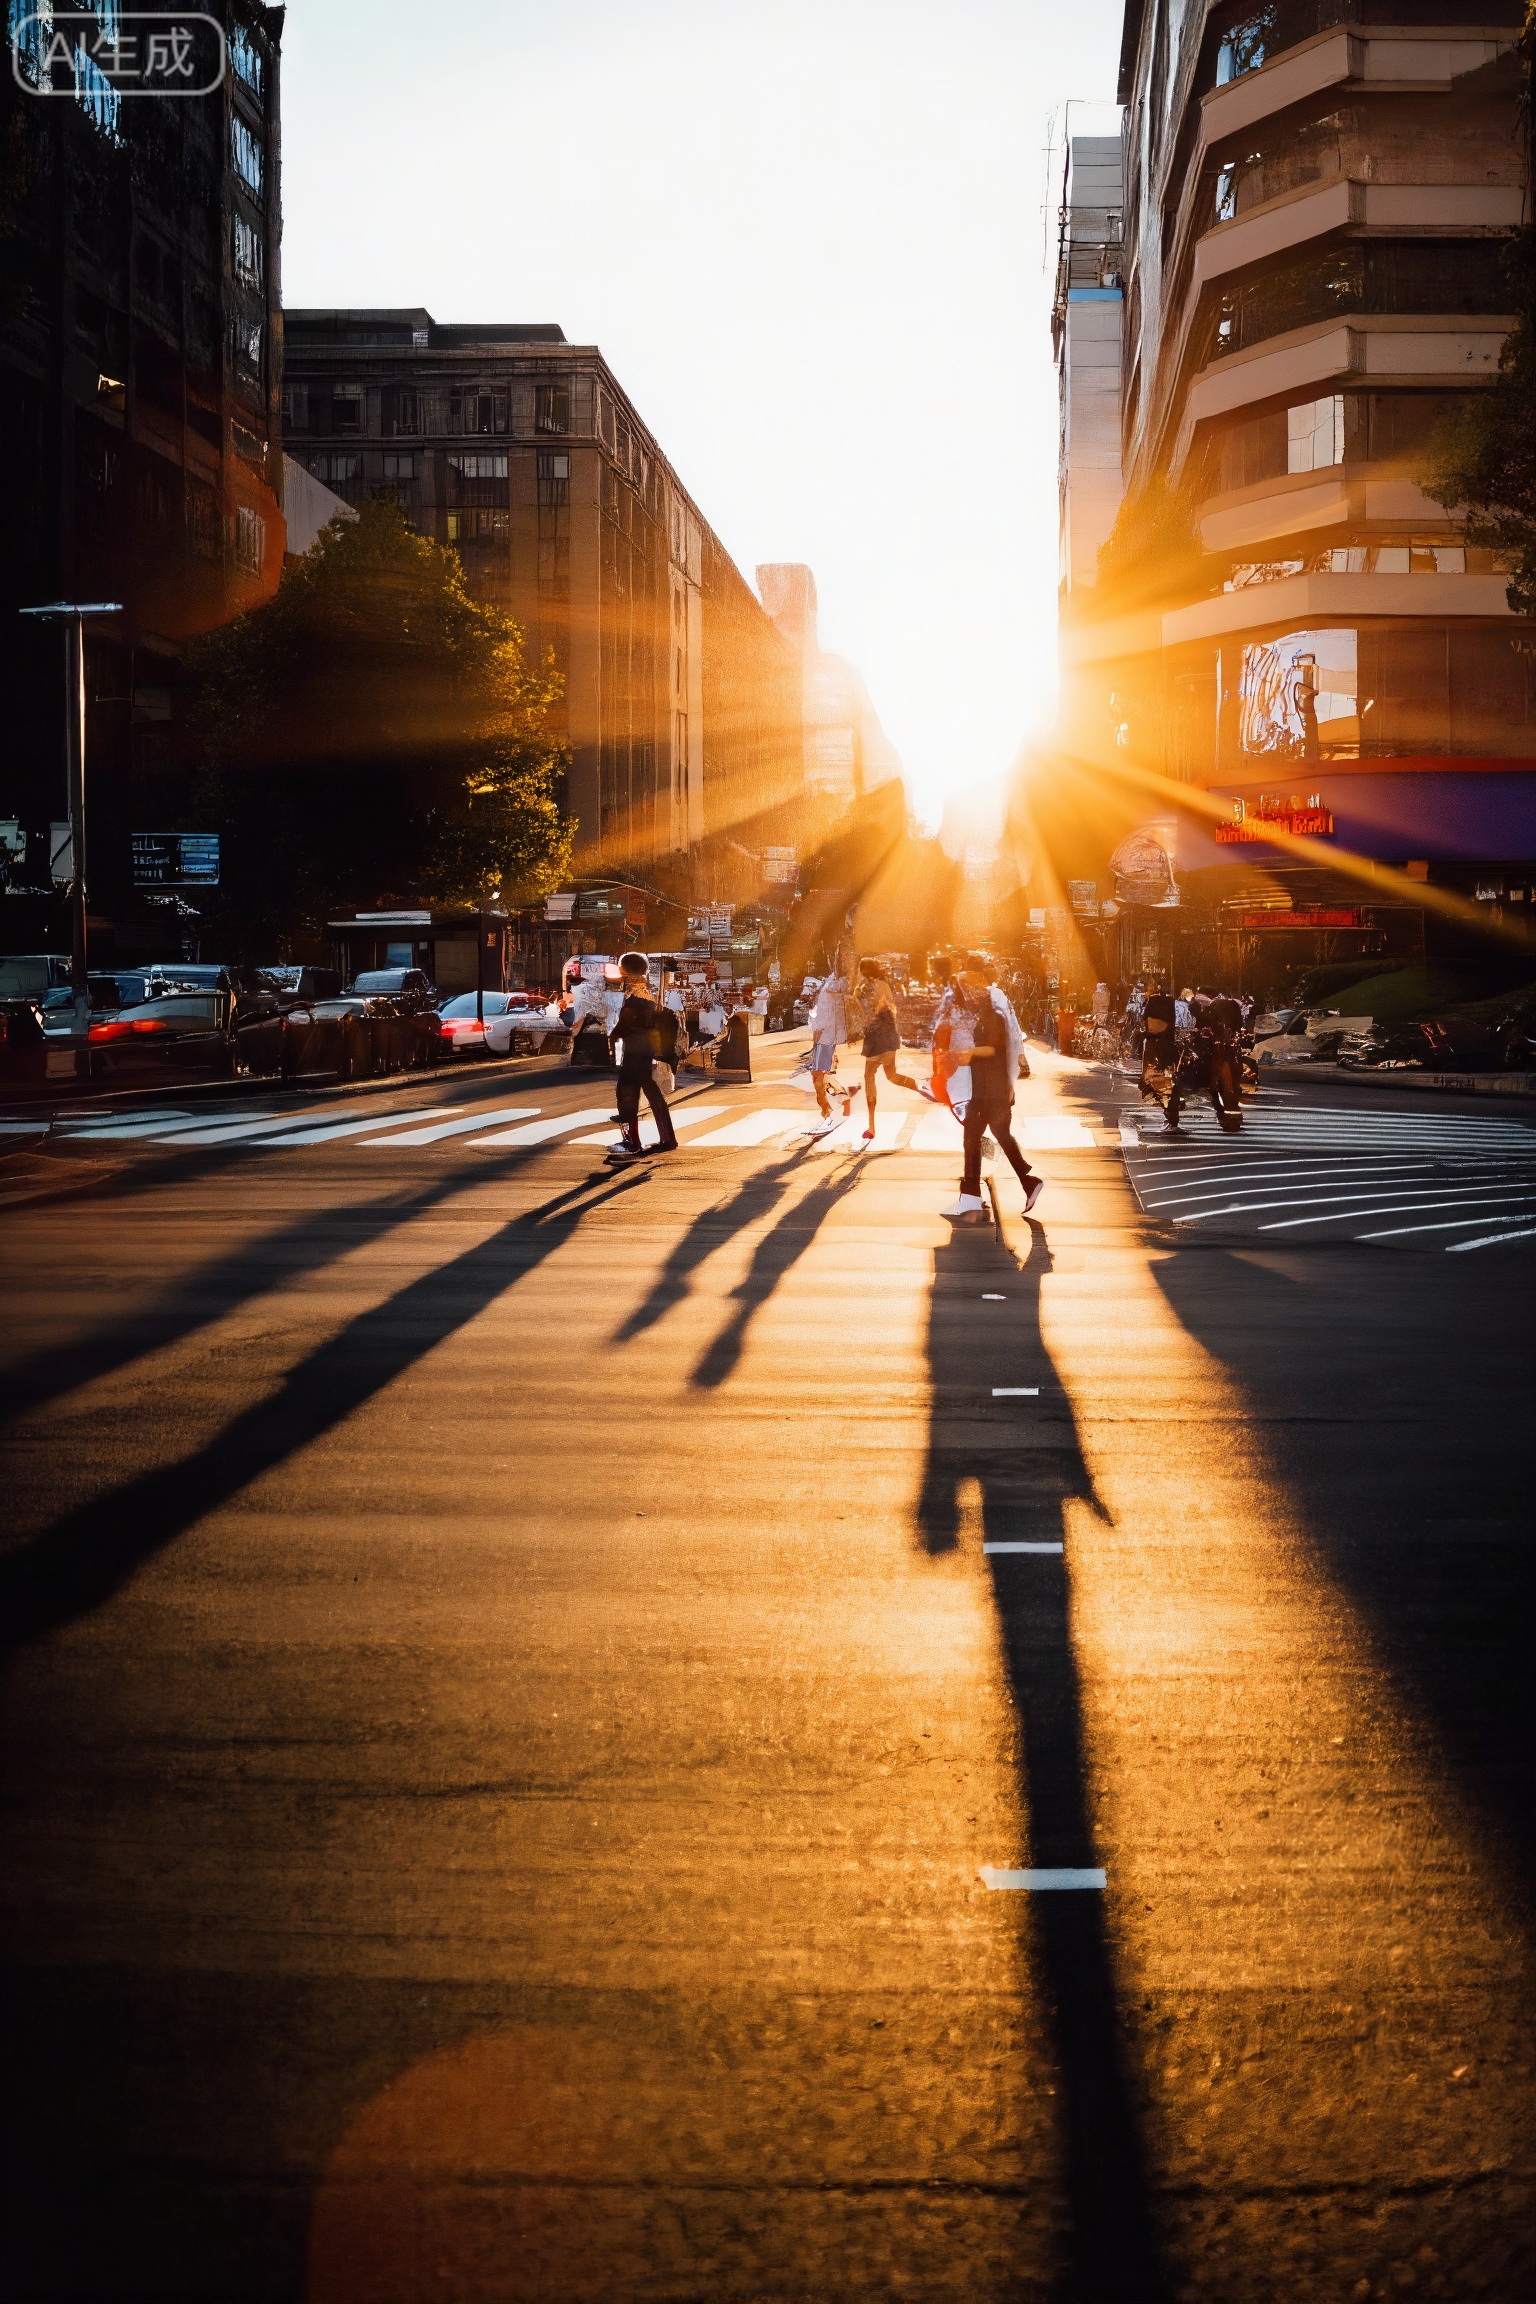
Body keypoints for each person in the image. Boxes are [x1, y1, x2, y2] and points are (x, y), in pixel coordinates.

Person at [942, 957, 1044, 1222]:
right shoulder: (985, 1013)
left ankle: (976, 1195)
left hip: (992, 1089)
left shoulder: (994, 1015)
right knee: (985, 1137)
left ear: (980, 987)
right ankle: (1018, 1184)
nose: (967, 993)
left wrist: (968, 1053)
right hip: (986, 1088)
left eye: (969, 987)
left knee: (978, 1138)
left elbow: (995, 1048)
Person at [605, 951, 679, 1164]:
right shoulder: (644, 990)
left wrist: (616, 1033)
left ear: (625, 970)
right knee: (651, 1092)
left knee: (626, 1094)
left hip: (636, 1051)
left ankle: (631, 1142)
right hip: (644, 1051)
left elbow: (634, 1020)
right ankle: (667, 1138)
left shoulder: (636, 993)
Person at [857, 958, 919, 1139]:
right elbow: (892, 1008)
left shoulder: (864, 988)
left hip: (875, 1038)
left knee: (869, 1077)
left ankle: (871, 1126)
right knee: (891, 1076)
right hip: (888, 1036)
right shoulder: (883, 985)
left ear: (863, 971)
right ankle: (919, 1086)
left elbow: (864, 1012)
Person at [804, 969, 853, 1130]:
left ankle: (827, 1112)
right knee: (821, 1075)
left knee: (818, 1077)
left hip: (824, 1041)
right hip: (826, 1041)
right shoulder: (824, 994)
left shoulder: (824, 995)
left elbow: (820, 1023)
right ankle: (842, 1101)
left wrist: (816, 1037)